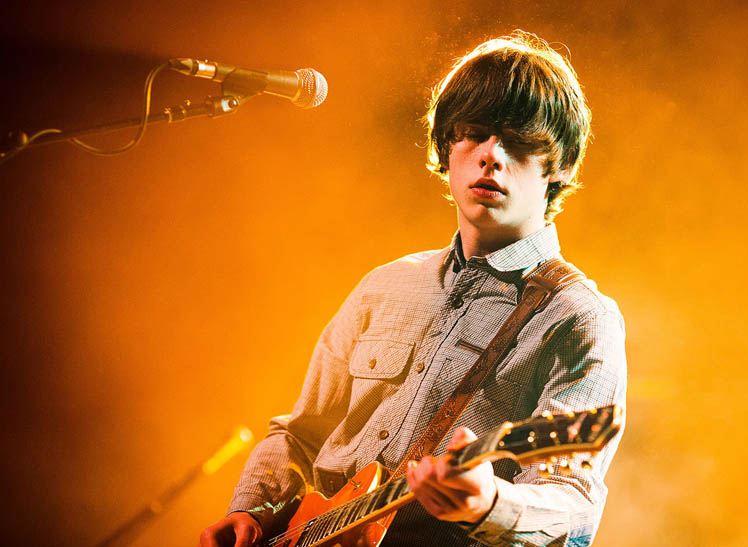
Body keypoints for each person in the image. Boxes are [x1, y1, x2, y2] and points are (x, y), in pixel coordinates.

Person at [200, 30, 627, 547]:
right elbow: (300, 433)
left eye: (517, 140)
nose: (491, 155)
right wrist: (255, 507)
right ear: (446, 148)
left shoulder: (577, 316)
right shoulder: (386, 285)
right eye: (473, 132)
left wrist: (489, 502)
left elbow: (572, 505)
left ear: (558, 166)